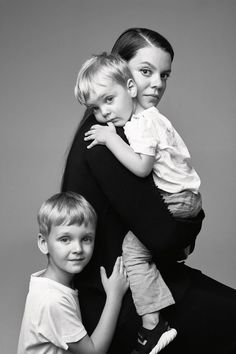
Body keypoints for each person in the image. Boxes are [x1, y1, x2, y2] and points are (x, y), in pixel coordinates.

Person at [61, 28, 236, 354]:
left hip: (144, 285)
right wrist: (191, 223)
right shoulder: (106, 141)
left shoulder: (129, 130)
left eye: (164, 74)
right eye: (145, 71)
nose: (157, 83)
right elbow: (163, 237)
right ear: (118, 70)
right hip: (120, 303)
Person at [74, 51, 203, 352]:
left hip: (178, 200)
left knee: (133, 253)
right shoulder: (144, 120)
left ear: (130, 89)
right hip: (185, 199)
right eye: (95, 107)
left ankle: (153, 326)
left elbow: (142, 167)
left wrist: (110, 139)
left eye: (109, 100)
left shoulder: (140, 124)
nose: (104, 113)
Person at [17, 192, 128, 354]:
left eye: (86, 239)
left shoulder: (49, 284)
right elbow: (93, 352)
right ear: (43, 243)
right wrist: (114, 296)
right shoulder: (51, 300)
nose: (78, 249)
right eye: (65, 239)